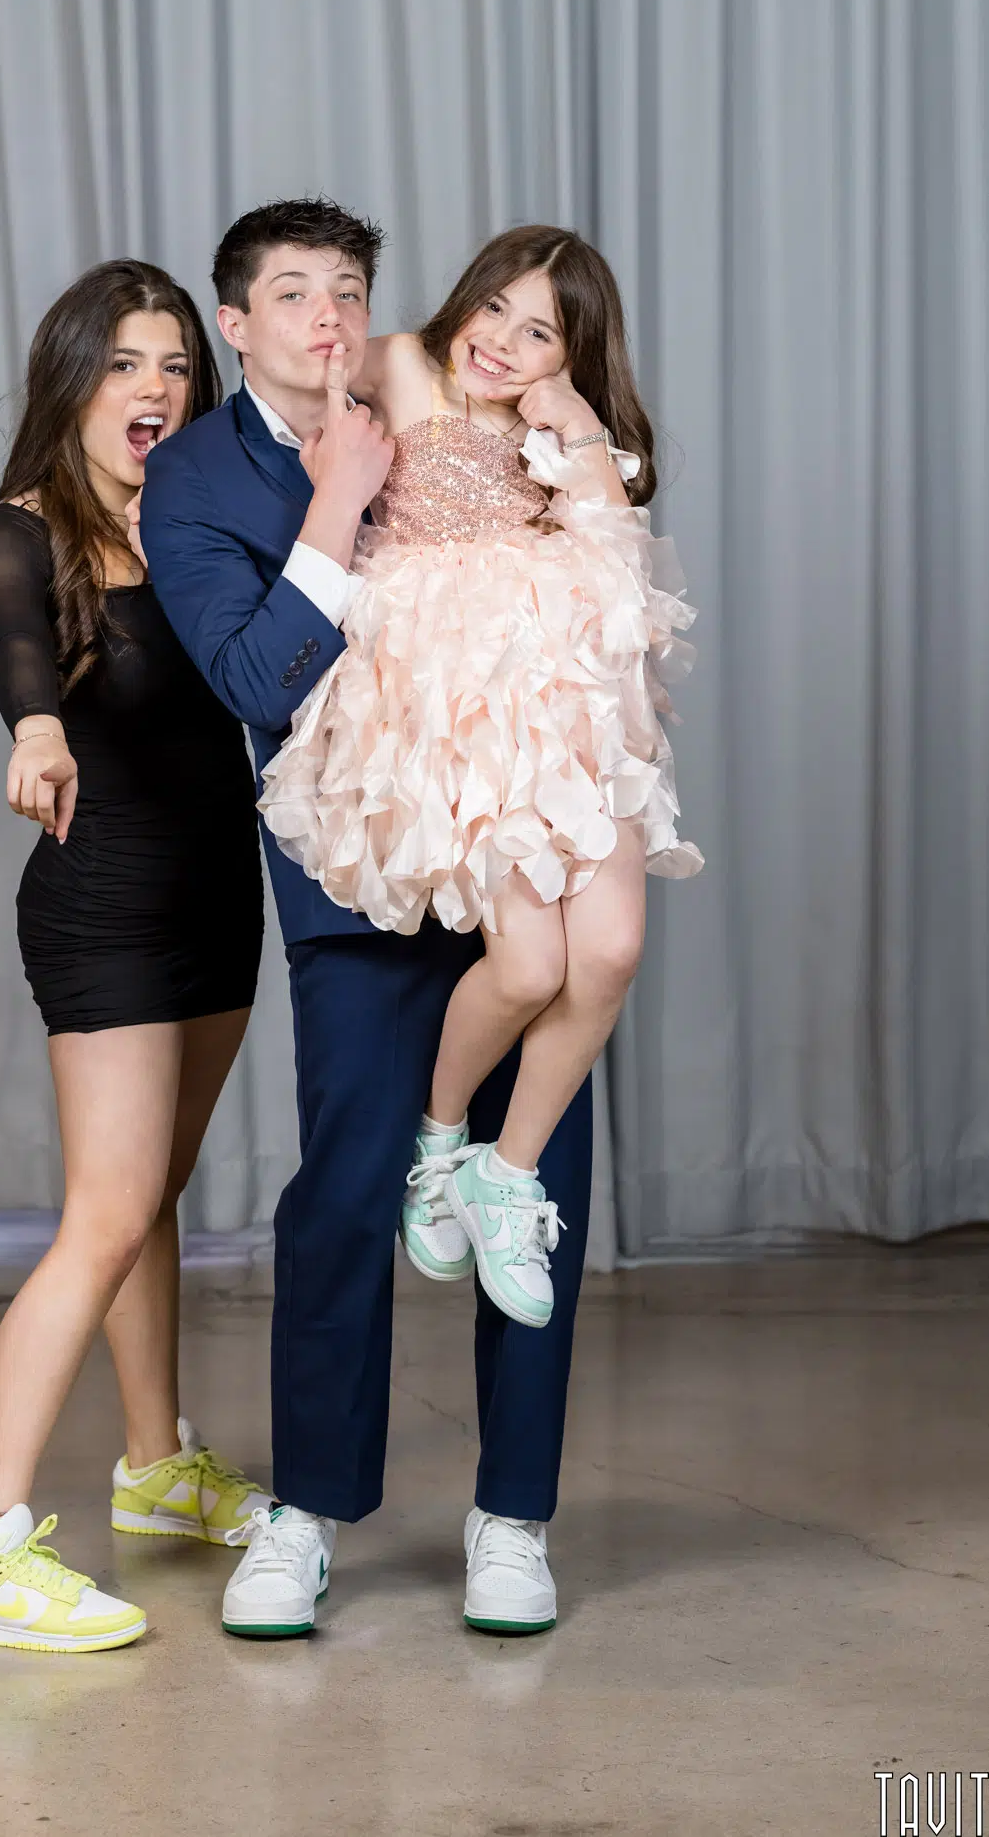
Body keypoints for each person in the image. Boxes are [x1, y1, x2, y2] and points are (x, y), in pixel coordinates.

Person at [139, 199, 594, 1641]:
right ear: (236, 322)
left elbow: (577, 560)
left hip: (517, 861)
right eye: (291, 292)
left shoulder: (437, 386)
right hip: (352, 885)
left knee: (526, 1194)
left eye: (346, 286)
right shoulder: (196, 478)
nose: (326, 313)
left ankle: (514, 1517)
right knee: (342, 1192)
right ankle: (310, 1508)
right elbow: (261, 683)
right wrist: (337, 496)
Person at [258, 226, 701, 1332]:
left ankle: (505, 1173)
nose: (502, 340)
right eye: (495, 307)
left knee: (609, 949)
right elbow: (288, 378)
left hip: (569, 711)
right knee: (529, 959)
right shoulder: (404, 363)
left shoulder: (570, 430)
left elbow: (624, 583)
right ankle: (442, 1136)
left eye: (539, 330)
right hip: (454, 712)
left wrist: (588, 439)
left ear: (572, 352)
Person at [0, 260, 269, 1656]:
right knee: (106, 1211)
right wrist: (36, 729)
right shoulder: (18, 531)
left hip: (217, 902)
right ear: (71, 377)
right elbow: (20, 653)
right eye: (126, 363)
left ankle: (154, 1468)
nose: (157, 389)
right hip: (105, 908)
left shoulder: (195, 521)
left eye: (178, 364)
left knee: (152, 1199)